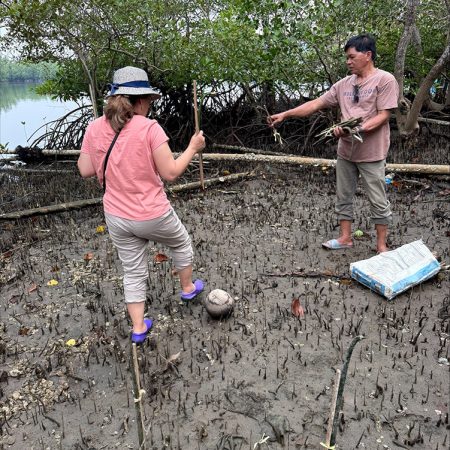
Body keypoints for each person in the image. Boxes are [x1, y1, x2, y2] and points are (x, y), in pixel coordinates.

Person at [78, 66, 205, 343]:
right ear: (139, 100)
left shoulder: (94, 127)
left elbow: (85, 169)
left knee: (133, 270)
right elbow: (170, 172)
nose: (150, 104)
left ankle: (138, 328)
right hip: (152, 214)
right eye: (148, 99)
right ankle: (186, 288)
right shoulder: (149, 128)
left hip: (116, 216)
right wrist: (193, 149)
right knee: (181, 243)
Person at [270, 34, 399, 253]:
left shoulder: (385, 80)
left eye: (351, 57)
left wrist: (354, 129)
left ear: (367, 55)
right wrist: (285, 114)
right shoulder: (343, 85)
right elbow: (315, 104)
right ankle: (345, 238)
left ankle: (381, 245)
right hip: (346, 153)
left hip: (372, 153)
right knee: (343, 196)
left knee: (378, 199)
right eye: (346, 58)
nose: (348, 62)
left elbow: (383, 115)